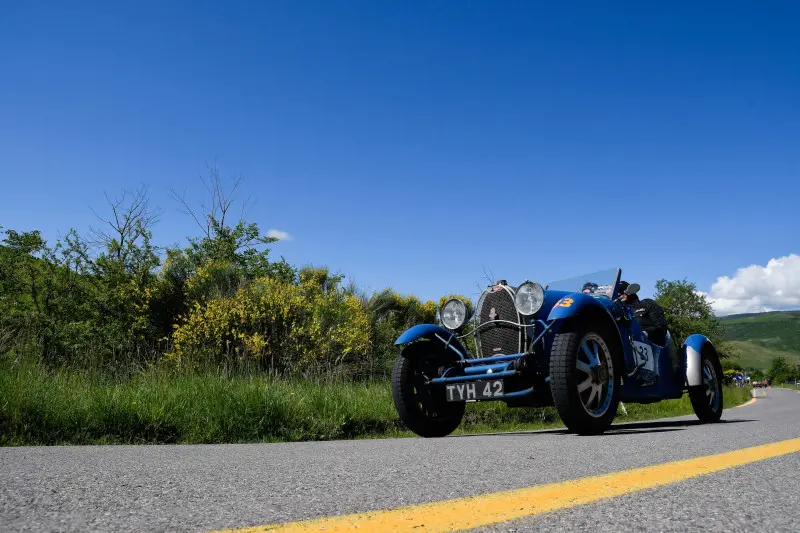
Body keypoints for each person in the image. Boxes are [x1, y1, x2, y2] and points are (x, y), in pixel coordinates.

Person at [618, 280, 668, 346]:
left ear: (628, 292)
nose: (618, 296)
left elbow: (661, 327)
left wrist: (643, 334)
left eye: (620, 293)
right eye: (617, 294)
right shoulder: (620, 312)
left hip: (651, 347)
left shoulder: (647, 304)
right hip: (628, 347)